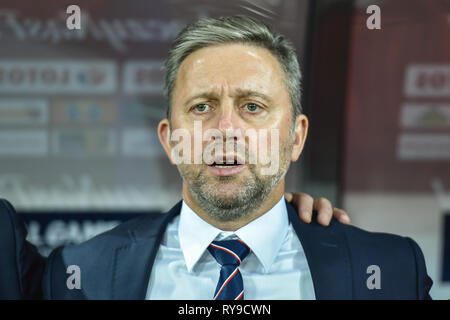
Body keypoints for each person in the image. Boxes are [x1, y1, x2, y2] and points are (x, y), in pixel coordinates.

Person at [42, 15, 432, 299]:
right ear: (170, 140)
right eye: (201, 107)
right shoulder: (80, 273)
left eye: (252, 106)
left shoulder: (391, 270)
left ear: (296, 138)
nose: (225, 127)